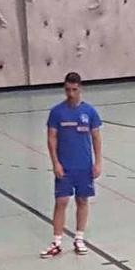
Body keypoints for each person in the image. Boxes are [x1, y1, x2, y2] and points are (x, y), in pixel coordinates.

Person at [40, 72, 102, 258]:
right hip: (65, 166)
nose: (71, 93)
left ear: (80, 89)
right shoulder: (57, 112)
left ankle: (79, 238)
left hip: (84, 166)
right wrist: (55, 163)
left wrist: (98, 162)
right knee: (61, 201)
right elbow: (51, 139)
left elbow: (96, 137)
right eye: (67, 90)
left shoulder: (89, 112)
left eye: (74, 90)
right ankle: (57, 241)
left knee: (82, 200)